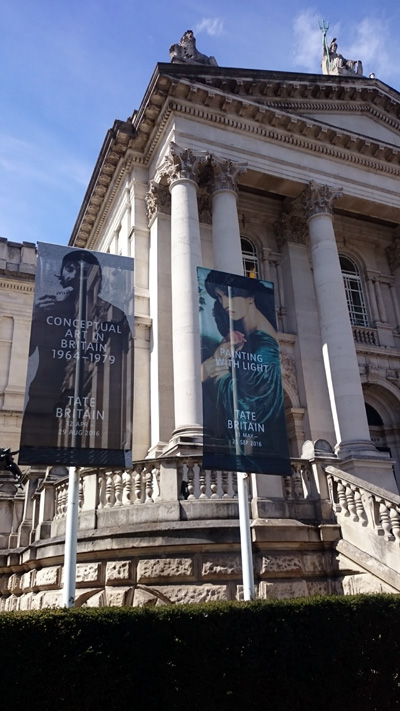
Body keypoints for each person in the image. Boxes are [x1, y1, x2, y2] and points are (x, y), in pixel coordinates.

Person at [19, 248, 134, 466]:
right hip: (42, 399)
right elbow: (26, 352)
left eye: (84, 271)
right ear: (61, 276)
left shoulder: (114, 313)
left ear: (96, 278)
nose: (76, 275)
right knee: (38, 462)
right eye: (70, 269)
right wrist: (36, 317)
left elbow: (123, 363)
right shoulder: (46, 308)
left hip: (93, 402)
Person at [200, 270, 290, 475]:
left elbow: (253, 404)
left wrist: (218, 373)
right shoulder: (243, 337)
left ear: (251, 297)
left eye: (230, 295)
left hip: (261, 459)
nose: (225, 304)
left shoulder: (265, 349)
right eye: (220, 297)